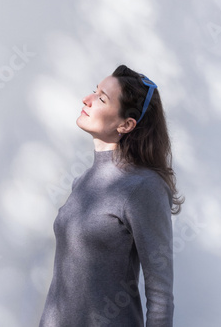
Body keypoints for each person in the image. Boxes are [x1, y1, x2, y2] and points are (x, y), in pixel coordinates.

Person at [39, 65, 184, 327]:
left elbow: (160, 294)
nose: (87, 99)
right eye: (94, 91)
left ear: (126, 124)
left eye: (101, 98)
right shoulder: (82, 182)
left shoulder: (144, 187)